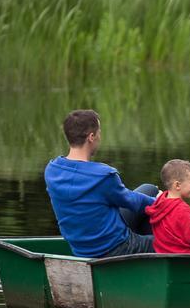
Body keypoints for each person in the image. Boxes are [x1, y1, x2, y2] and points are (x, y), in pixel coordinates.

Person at [44, 109, 157, 258]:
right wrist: (167, 203)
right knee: (187, 242)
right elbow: (132, 202)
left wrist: (159, 201)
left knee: (149, 189)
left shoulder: (52, 170)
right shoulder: (103, 176)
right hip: (115, 248)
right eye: (99, 132)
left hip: (81, 248)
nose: (99, 137)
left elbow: (130, 199)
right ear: (91, 137)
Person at [145, 159, 190, 254]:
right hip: (182, 256)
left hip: (162, 253)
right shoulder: (182, 209)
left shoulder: (160, 201)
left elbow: (176, 230)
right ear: (177, 185)